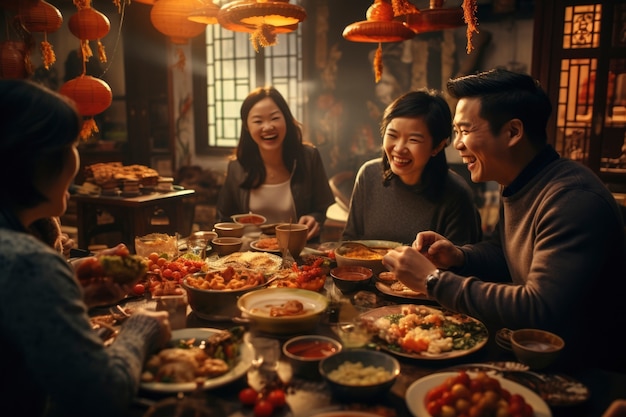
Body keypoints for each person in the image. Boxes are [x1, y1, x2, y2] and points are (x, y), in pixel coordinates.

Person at [382, 68, 626, 371]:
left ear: (513, 132)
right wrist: (459, 256)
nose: (458, 144)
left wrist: (433, 281)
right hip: (533, 355)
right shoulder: (517, 182)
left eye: (466, 130)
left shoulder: (573, 198)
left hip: (585, 371)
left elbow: (539, 307)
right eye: (456, 132)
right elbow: (503, 252)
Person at [0, 79, 171, 417]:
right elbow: (101, 396)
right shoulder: (29, 262)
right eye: (72, 146)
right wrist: (141, 329)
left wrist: (71, 285)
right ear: (37, 161)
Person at [342, 89, 482, 245]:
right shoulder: (369, 175)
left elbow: (459, 265)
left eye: (413, 140)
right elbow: (349, 242)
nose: (399, 148)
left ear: (438, 146)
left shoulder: (457, 195)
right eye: (392, 135)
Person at [216, 86, 335, 241]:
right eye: (258, 121)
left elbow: (321, 208)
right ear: (247, 126)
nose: (268, 127)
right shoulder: (237, 167)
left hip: (297, 253)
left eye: (274, 118)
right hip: (248, 257)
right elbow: (223, 219)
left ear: (286, 118)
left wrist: (315, 219)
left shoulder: (308, 157)